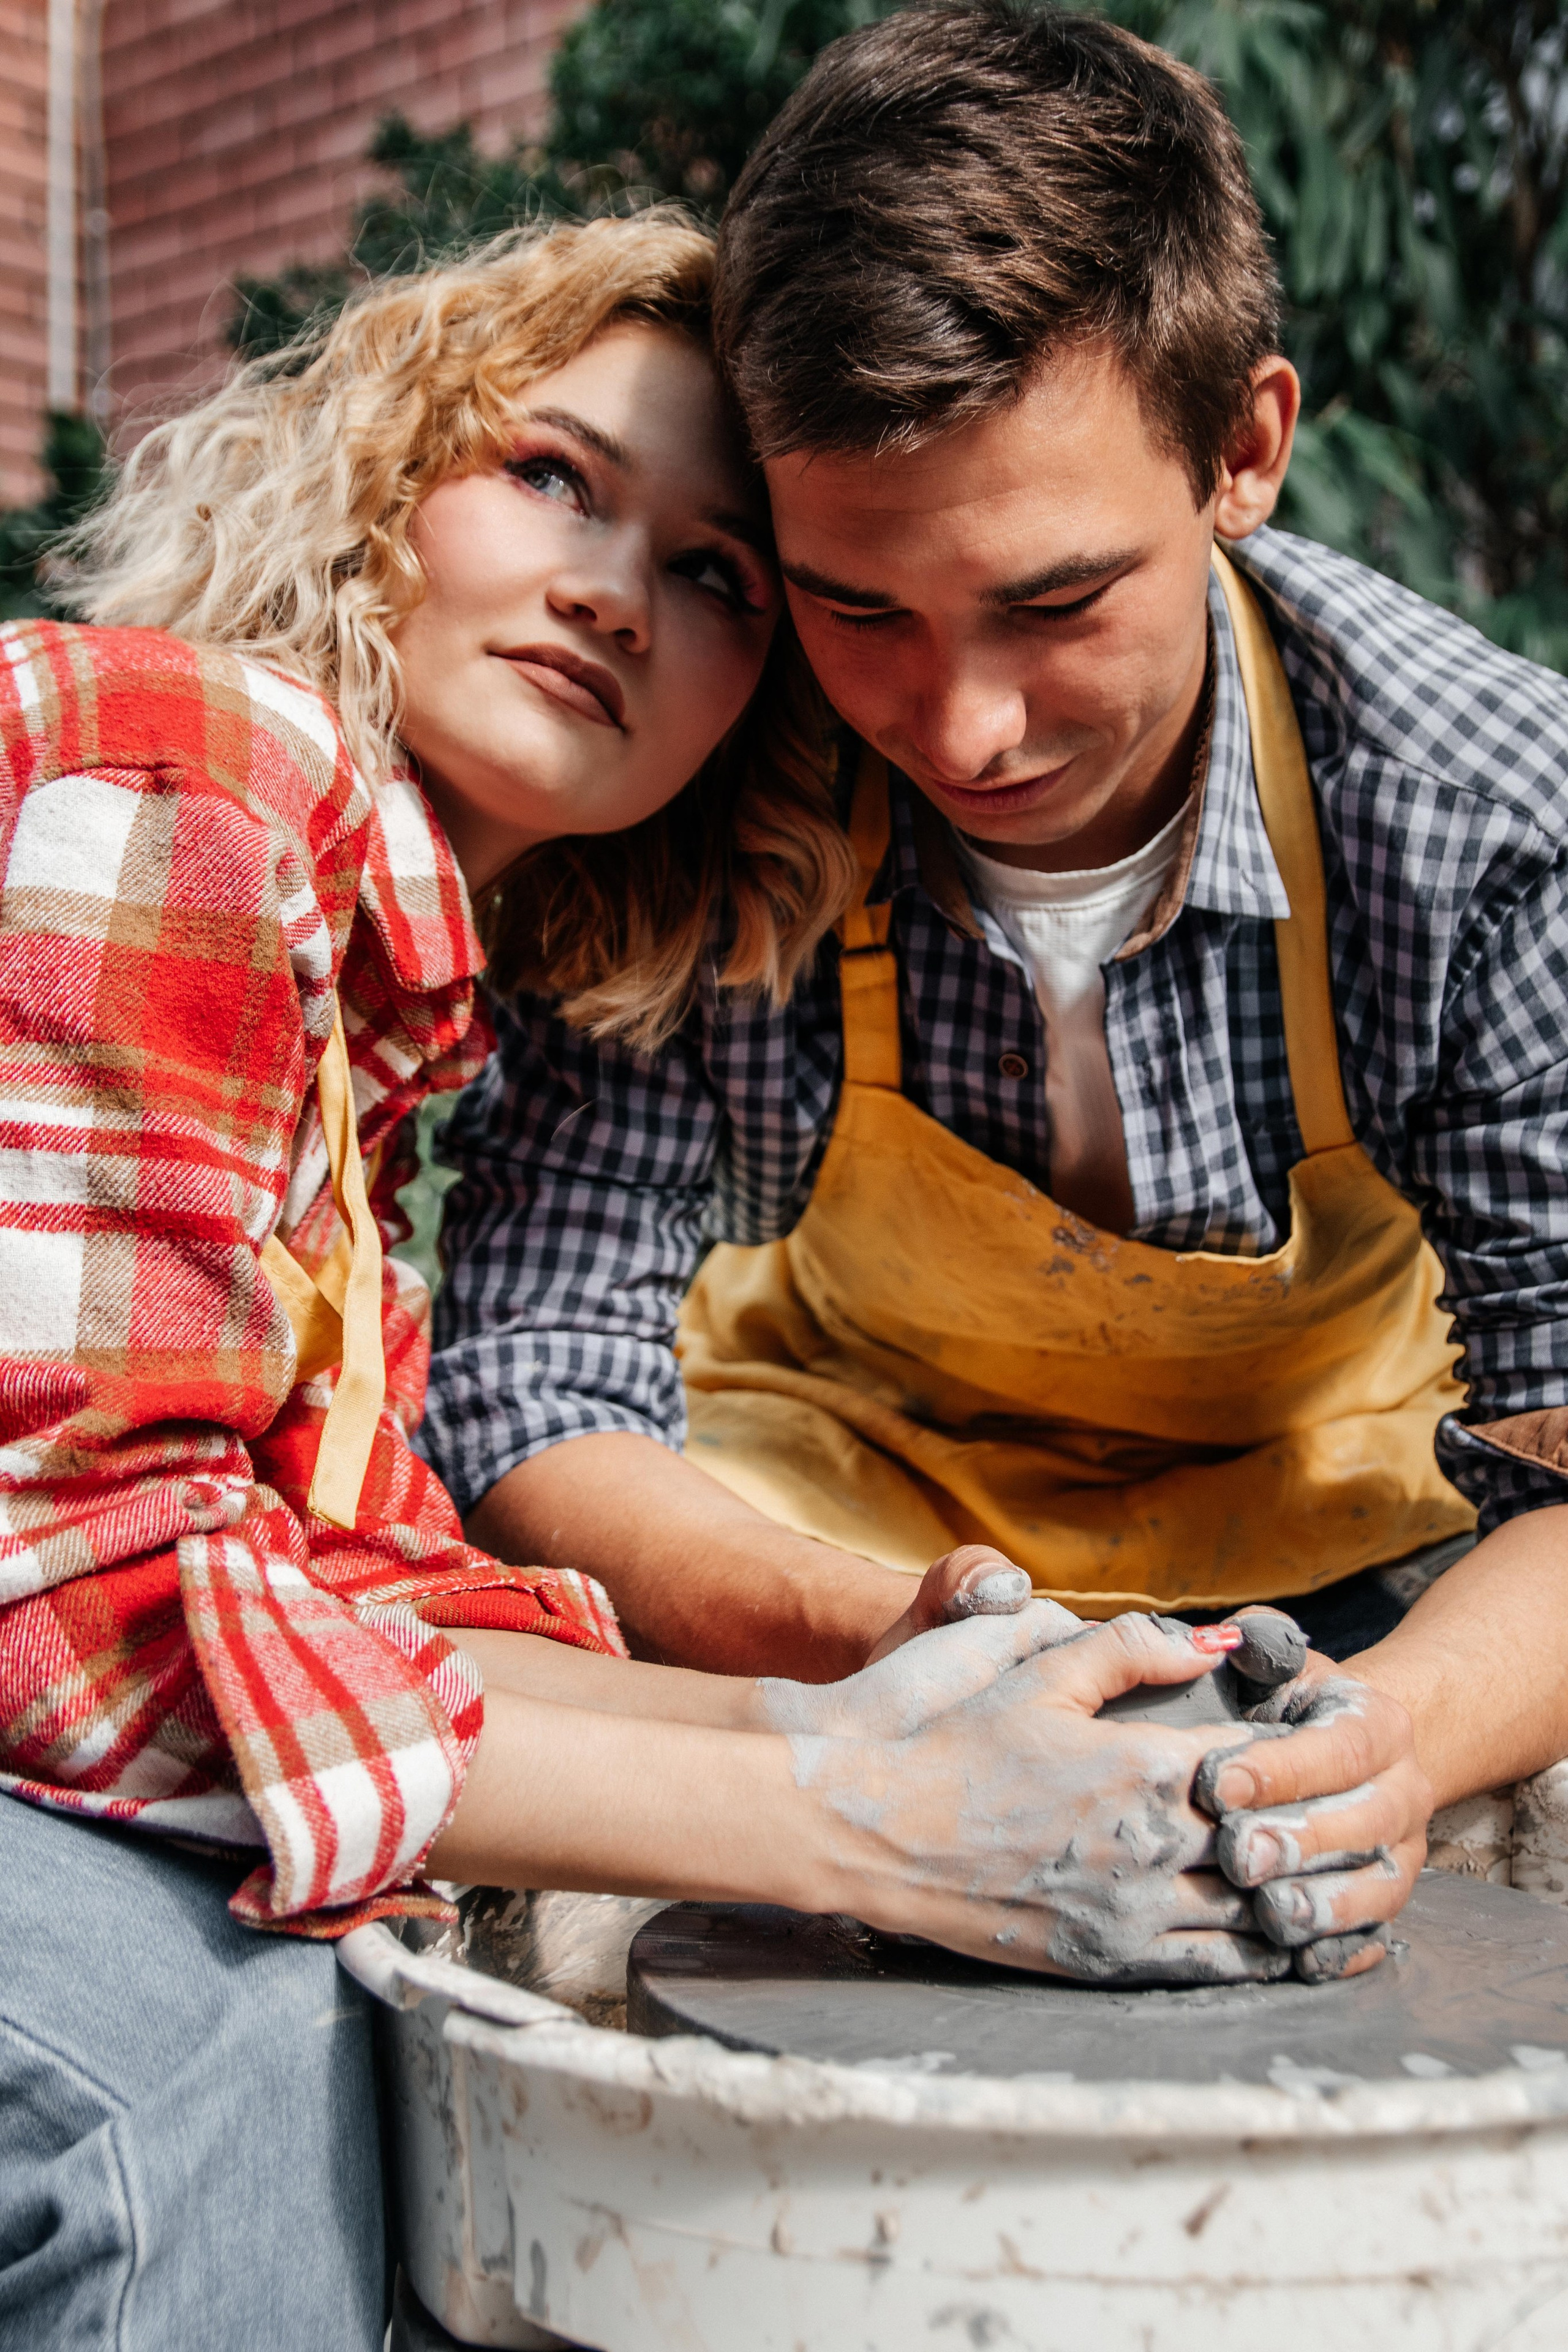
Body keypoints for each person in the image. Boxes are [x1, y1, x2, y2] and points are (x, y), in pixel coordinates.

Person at [0, 211, 1334, 2352]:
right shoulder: (193, 760)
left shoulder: (383, 1022)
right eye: (551, 475)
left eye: (717, 576)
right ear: (374, 480)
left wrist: (909, 1704)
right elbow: (64, 1607)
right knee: (201, 2085)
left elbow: (319, 1613)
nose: (618, 590)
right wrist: (873, 1827)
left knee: (378, 2026)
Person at [421, 8, 1568, 1976]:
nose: (957, 724)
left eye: (1053, 604)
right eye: (858, 607)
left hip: (1360, 1604)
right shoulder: (703, 773)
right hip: (822, 1589)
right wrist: (885, 1653)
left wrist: (1377, 1758)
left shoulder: (1487, 825)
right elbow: (531, 1377)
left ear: (1245, 453)